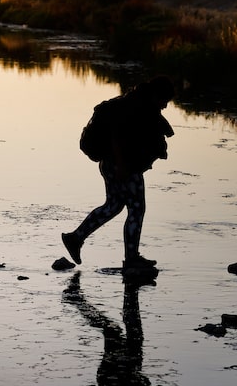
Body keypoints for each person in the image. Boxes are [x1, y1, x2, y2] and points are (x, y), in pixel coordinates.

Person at [62, 75, 176, 272]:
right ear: (156, 94)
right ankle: (131, 260)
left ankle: (75, 238)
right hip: (122, 166)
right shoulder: (133, 106)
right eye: (164, 100)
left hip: (112, 165)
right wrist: (123, 165)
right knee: (136, 209)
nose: (165, 106)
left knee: (114, 205)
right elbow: (117, 136)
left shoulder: (135, 102)